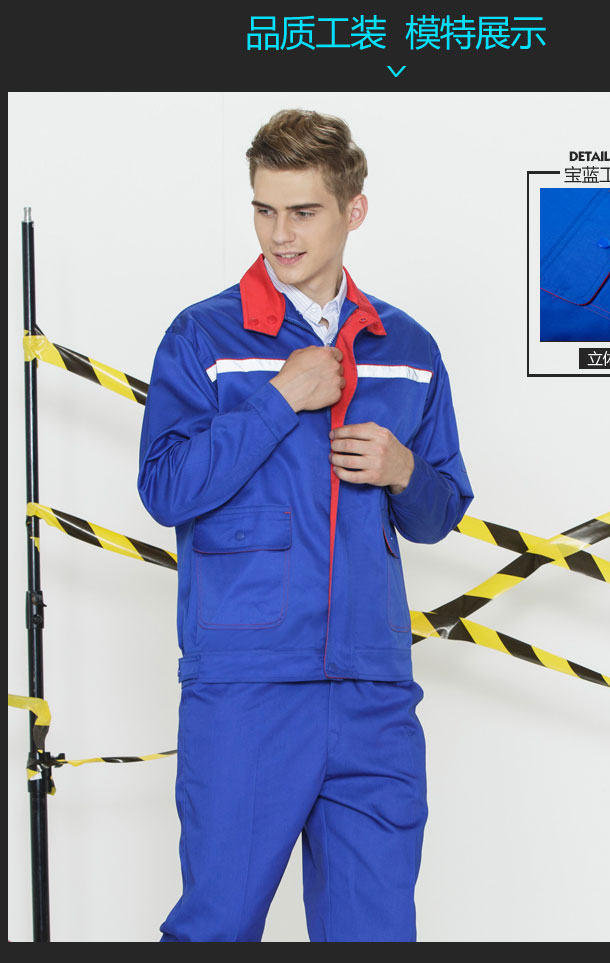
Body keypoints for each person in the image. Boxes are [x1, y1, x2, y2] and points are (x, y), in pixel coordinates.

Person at [137, 108, 473, 943]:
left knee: (375, 932)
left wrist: (405, 470)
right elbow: (165, 487)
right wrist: (279, 398)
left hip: (373, 688)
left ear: (354, 209)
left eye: (302, 211)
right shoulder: (205, 337)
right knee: (216, 927)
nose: (279, 234)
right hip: (247, 687)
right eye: (263, 209)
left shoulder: (407, 347)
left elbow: (440, 513)